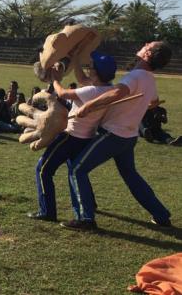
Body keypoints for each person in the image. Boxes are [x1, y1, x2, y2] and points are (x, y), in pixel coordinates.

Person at [65, 41, 173, 230]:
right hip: (129, 137)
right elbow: (154, 102)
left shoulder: (136, 75)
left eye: (148, 45)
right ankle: (161, 215)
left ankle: (86, 218)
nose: (145, 44)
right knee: (131, 176)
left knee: (77, 170)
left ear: (148, 54)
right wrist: (137, 107)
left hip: (114, 135)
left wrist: (88, 106)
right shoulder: (149, 78)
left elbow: (117, 92)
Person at [26, 51, 116, 222]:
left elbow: (62, 94)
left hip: (71, 136)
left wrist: (55, 78)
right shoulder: (109, 88)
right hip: (86, 137)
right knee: (76, 171)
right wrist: (75, 58)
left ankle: (47, 211)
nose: (88, 69)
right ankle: (90, 204)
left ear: (96, 72)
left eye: (91, 67)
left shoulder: (91, 90)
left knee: (43, 170)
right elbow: (81, 77)